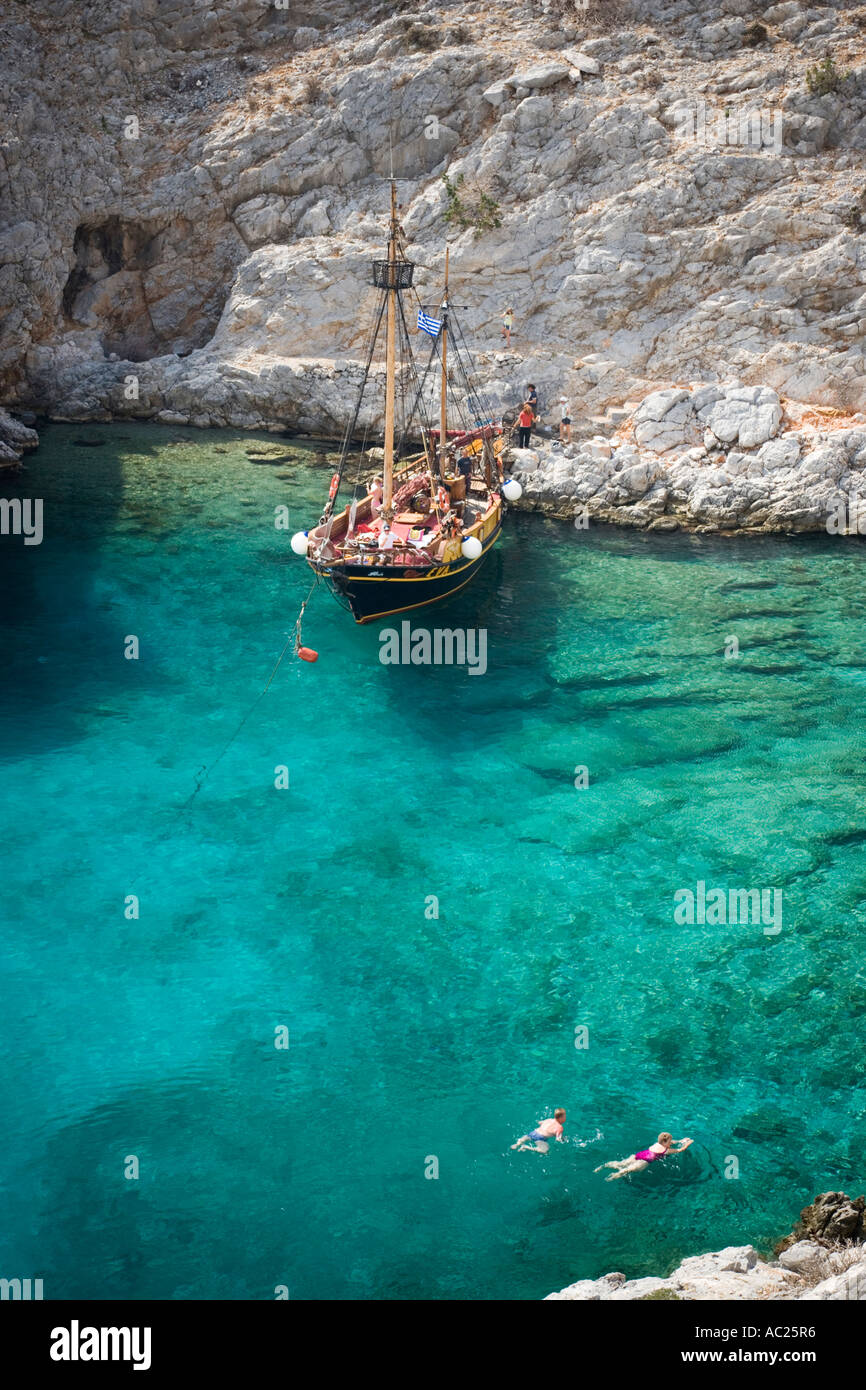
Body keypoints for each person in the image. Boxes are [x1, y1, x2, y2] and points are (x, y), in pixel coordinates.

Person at [594, 1132, 692, 1181]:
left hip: (640, 1154)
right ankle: (610, 1178)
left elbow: (673, 1141)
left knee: (621, 1163)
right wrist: (688, 1143)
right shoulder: (666, 1150)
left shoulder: (657, 1144)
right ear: (665, 1142)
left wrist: (681, 1140)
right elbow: (680, 1150)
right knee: (626, 1170)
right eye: (670, 1141)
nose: (671, 1142)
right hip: (644, 1161)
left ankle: (602, 1167)